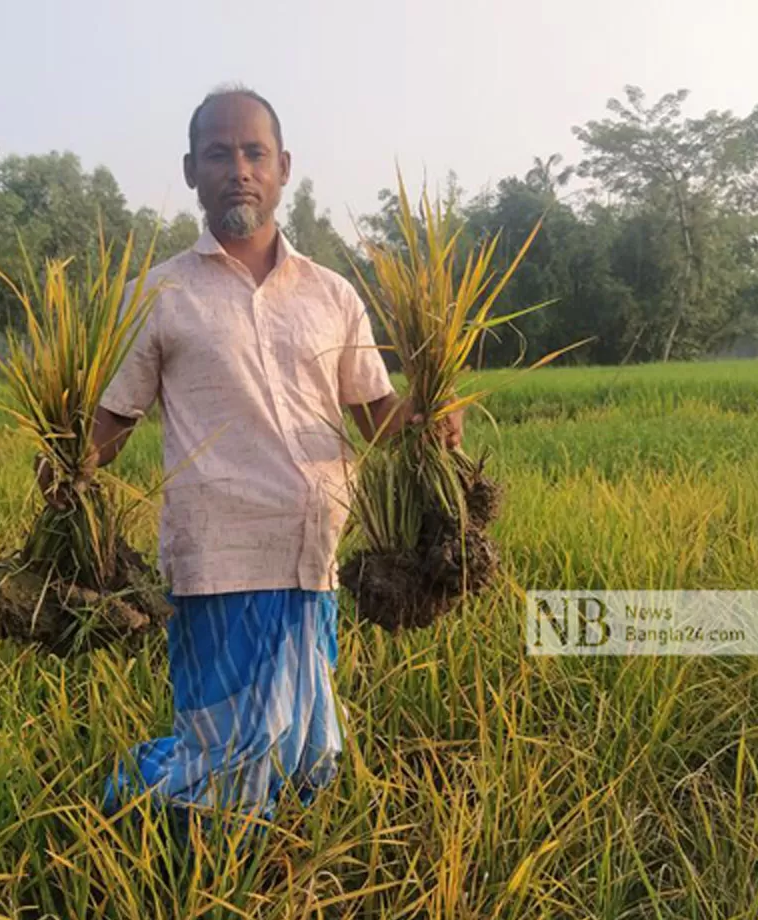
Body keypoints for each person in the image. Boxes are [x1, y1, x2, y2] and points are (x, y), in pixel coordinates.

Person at [37, 85, 462, 830]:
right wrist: (69, 462)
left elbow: (376, 417)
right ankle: (172, 853)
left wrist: (429, 420)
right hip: (219, 558)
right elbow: (112, 421)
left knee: (306, 750)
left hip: (313, 556)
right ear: (192, 170)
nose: (239, 168)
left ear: (283, 167)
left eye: (254, 153)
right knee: (225, 758)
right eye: (219, 154)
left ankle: (281, 874)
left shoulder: (332, 295)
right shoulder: (159, 294)